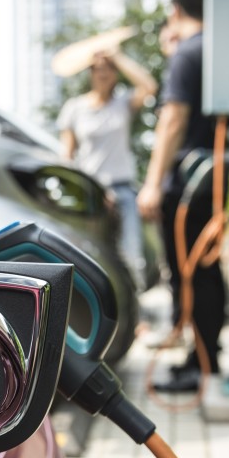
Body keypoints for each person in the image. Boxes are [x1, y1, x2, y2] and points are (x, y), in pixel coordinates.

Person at [137, 0, 224, 393]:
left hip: (186, 183)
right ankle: (204, 358)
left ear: (175, 10)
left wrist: (152, 183)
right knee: (206, 269)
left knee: (189, 274)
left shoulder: (187, 53)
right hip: (212, 178)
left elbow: (173, 119)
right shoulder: (213, 50)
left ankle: (200, 366)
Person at [57, 47, 157, 288]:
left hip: (122, 190)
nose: (102, 73)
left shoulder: (122, 103)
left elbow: (149, 86)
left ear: (115, 72)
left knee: (131, 256)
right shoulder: (75, 108)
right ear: (90, 72)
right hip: (91, 192)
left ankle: (136, 318)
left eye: (108, 68)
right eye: (97, 68)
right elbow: (66, 160)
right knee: (92, 257)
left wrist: (118, 56)